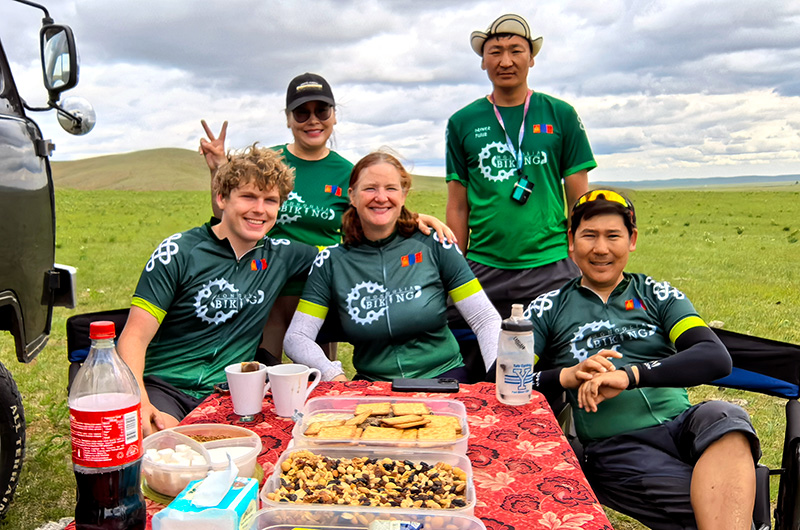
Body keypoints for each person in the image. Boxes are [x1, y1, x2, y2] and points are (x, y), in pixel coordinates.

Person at [526, 189, 760, 530]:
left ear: (632, 239)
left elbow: (714, 357)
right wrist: (567, 376)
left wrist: (629, 376)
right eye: (589, 236)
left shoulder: (657, 294)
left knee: (726, 414)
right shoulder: (547, 307)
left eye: (613, 236)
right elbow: (502, 380)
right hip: (616, 445)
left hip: (683, 426)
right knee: (725, 505)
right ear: (570, 242)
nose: (601, 248)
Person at [200, 73, 454, 364]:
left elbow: (377, 210)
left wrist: (417, 218)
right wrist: (217, 169)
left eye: (322, 111)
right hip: (266, 286)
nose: (313, 120)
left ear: (334, 116)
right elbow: (229, 216)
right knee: (262, 369)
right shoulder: (270, 163)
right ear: (288, 119)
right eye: (301, 112)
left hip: (318, 291)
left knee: (316, 376)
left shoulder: (345, 171)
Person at [118, 145, 318, 435]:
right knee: (167, 444)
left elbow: (346, 258)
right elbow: (134, 337)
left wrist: (406, 231)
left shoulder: (282, 256)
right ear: (222, 198)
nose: (259, 209)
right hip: (165, 386)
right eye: (248, 196)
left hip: (232, 394)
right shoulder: (177, 252)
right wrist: (140, 403)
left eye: (270, 200)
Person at [445, 14, 596, 381]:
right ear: (483, 61)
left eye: (516, 50)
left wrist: (580, 255)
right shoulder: (462, 122)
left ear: (532, 58)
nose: (505, 60)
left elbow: (580, 198)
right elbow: (458, 204)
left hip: (550, 265)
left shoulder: (560, 114)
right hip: (483, 266)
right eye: (495, 52)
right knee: (472, 356)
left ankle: (562, 432)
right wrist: (456, 266)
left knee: (561, 355)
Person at [283, 152, 501, 382]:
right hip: (372, 387)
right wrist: (333, 375)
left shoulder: (436, 245)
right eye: (370, 188)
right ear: (352, 197)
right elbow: (296, 337)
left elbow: (484, 318)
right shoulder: (330, 262)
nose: (381, 197)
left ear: (404, 195)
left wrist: (498, 376)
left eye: (391, 188)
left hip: (444, 379)